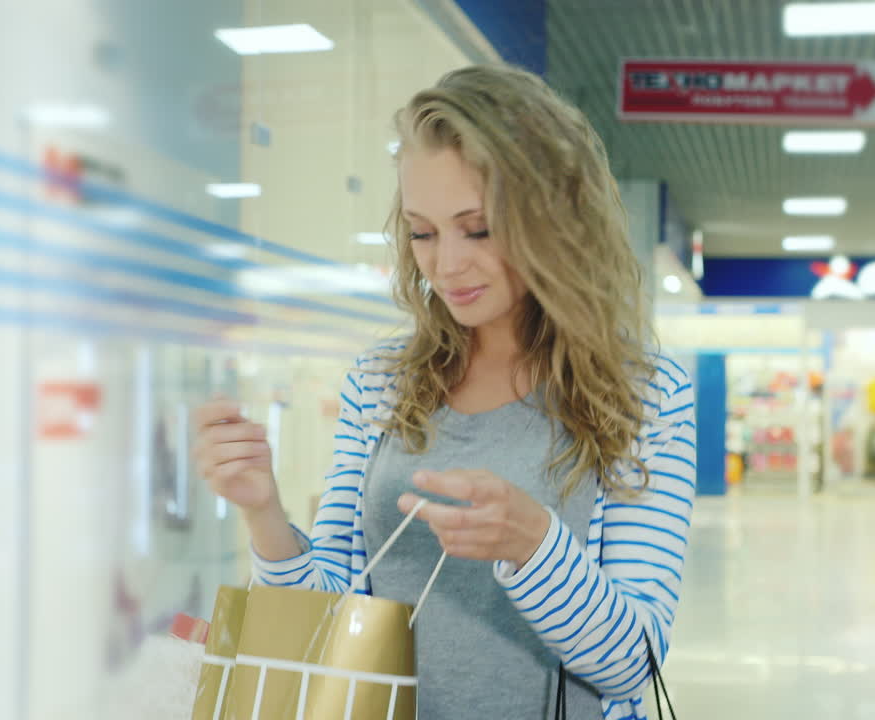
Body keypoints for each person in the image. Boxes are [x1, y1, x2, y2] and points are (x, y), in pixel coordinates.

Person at [193, 65, 696, 720]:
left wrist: (534, 545)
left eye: (478, 228)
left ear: (554, 218)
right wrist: (262, 511)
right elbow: (323, 616)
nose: (447, 265)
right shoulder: (382, 383)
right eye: (423, 233)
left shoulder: (644, 395)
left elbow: (636, 660)